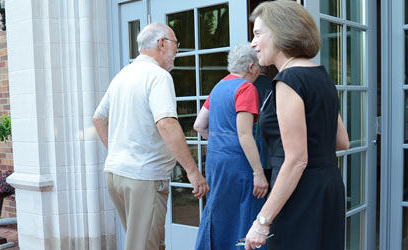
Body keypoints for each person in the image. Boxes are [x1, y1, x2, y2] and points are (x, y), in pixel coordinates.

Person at [93, 23, 209, 250]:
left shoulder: (123, 75)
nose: (177, 50)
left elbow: (99, 118)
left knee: (144, 242)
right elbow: (166, 123)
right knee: (146, 246)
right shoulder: (158, 76)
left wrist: (117, 151)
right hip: (143, 176)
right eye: (176, 44)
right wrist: (193, 172)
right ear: (162, 43)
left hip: (116, 174)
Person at [244, 1, 350, 250]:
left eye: (258, 34)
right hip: (328, 187)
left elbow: (297, 160)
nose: (253, 43)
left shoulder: (288, 79)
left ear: (282, 33)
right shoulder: (321, 76)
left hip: (300, 193)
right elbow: (341, 141)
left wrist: (262, 221)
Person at [192, 43, 268, 249]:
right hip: (239, 162)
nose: (259, 72)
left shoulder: (218, 87)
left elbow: (199, 125)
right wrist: (259, 173)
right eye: (259, 67)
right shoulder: (246, 88)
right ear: (251, 67)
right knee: (245, 215)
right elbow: (244, 134)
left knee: (219, 213)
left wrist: (221, 142)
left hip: (216, 161)